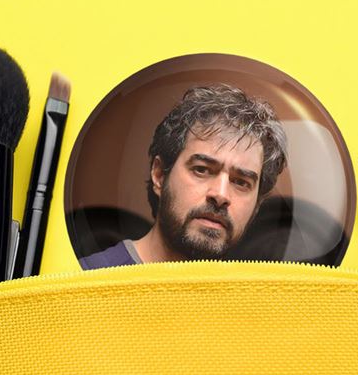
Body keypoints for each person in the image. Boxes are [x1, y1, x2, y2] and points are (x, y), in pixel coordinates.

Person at [80, 84, 288, 269]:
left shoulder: (252, 299)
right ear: (159, 175)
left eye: (241, 182)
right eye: (202, 170)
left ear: (257, 205)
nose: (220, 195)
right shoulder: (88, 280)